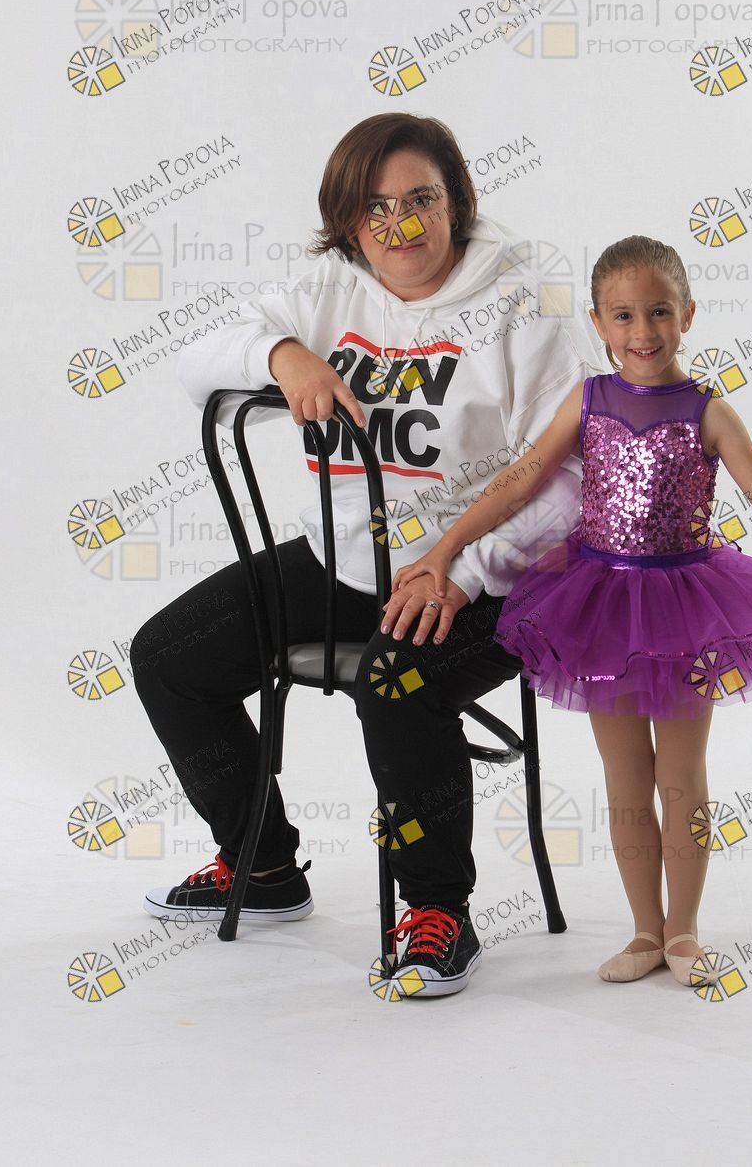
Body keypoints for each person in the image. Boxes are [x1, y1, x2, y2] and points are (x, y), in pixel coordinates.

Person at [130, 112, 600, 997]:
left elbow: (571, 479)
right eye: (374, 208)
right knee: (168, 659)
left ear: (456, 200)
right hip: (346, 563)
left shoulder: (523, 302)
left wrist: (464, 571)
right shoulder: (329, 288)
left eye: (420, 199)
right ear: (347, 220)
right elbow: (197, 359)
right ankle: (263, 865)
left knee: (395, 679)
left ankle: (438, 910)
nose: (399, 225)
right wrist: (282, 353)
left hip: (487, 580)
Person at [386, 234, 752, 988]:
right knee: (624, 775)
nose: (642, 331)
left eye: (658, 312)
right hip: (601, 606)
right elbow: (522, 478)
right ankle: (645, 930)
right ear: (598, 322)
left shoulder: (708, 411)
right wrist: (445, 548)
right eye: (623, 316)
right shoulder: (588, 400)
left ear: (688, 314)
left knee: (680, 774)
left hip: (687, 610)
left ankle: (683, 931)